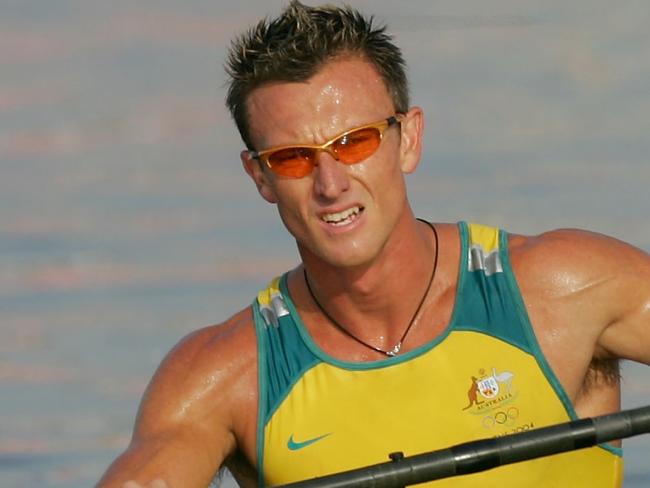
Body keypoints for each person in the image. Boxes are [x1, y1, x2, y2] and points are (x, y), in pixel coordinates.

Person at [97, 2, 650, 487]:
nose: (331, 184)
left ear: (408, 140)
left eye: (354, 142)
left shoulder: (569, 287)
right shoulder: (223, 377)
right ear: (259, 178)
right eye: (293, 157)